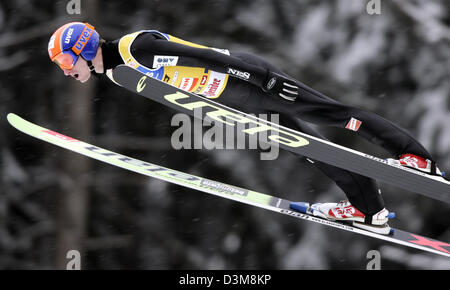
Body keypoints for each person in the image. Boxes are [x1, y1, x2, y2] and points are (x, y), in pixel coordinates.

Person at [48, 22, 446, 234]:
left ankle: (416, 158)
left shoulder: (135, 48)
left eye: (68, 63)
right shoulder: (118, 73)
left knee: (333, 113)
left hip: (248, 80)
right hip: (234, 100)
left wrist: (261, 77)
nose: (69, 72)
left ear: (83, 48)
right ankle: (368, 210)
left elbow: (202, 56)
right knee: (311, 149)